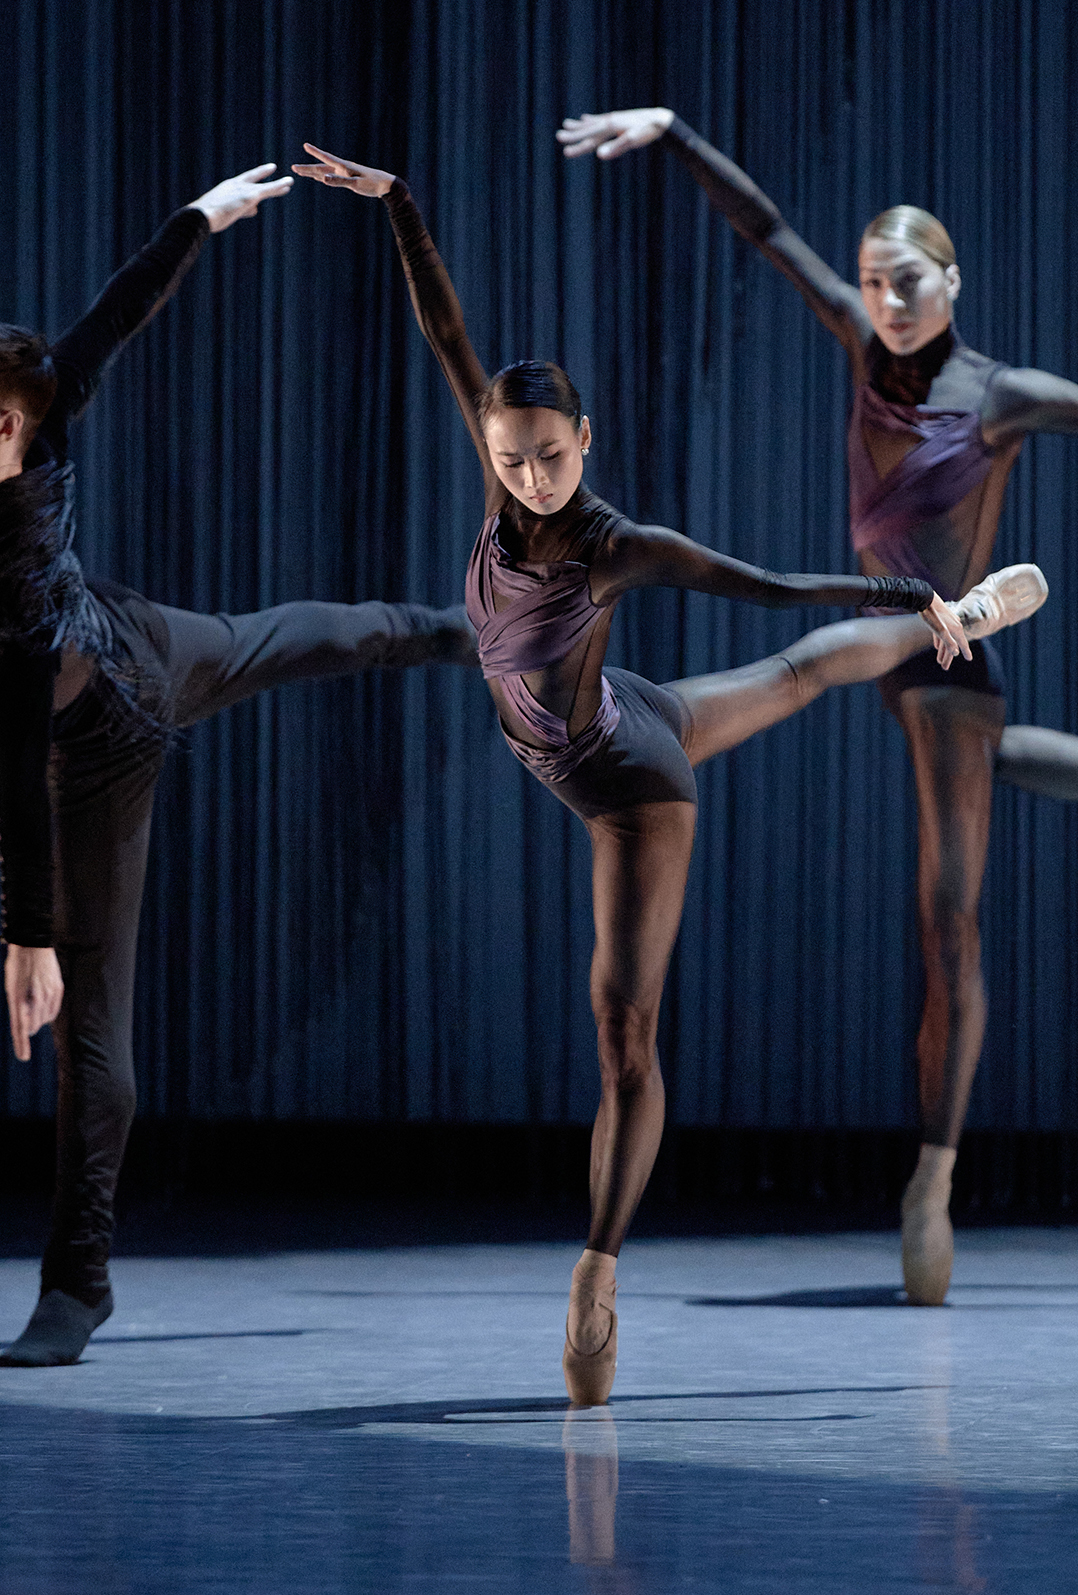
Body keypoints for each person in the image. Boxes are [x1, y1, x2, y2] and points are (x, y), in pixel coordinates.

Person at [293, 143, 1043, 1401]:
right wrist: (402, 206)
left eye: (551, 453)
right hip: (614, 711)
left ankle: (596, 1271)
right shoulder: (501, 477)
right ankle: (944, 614)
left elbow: (766, 583)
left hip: (626, 779)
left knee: (622, 1029)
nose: (531, 473)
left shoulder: (613, 543)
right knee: (799, 677)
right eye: (512, 456)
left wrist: (907, 588)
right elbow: (445, 330)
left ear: (585, 440)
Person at [558, 106, 1078, 1307]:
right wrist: (676, 132)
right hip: (901, 617)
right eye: (871, 285)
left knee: (948, 917)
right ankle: (672, 712)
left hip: (939, 645)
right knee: (865, 679)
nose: (885, 302)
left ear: (950, 281)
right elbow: (767, 231)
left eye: (905, 284)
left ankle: (931, 1180)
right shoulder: (857, 342)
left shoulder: (1000, 396)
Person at [0, 167, 477, 1369]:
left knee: (90, 1030)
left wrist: (28, 936)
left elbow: (18, 762)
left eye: (5, 423)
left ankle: (77, 1281)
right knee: (295, 637)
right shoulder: (21, 464)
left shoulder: (26, 477)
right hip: (84, 687)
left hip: (114, 707)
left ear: (18, 420)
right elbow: (114, 314)